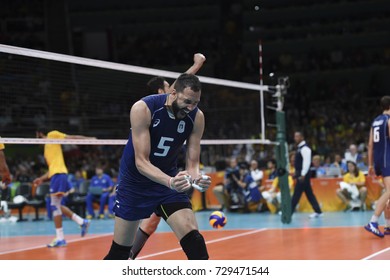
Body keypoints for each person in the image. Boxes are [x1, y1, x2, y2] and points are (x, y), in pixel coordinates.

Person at [104, 73, 211, 260]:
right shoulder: (144, 108)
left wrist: (197, 179)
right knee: (119, 254)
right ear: (173, 93)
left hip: (167, 182)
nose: (191, 107)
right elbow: (141, 163)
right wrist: (170, 182)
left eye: (196, 102)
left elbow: (192, 164)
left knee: (195, 242)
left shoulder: (197, 117)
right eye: (187, 101)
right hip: (135, 184)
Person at [129, 53, 206, 259]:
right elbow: (180, 83)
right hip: (140, 180)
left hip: (167, 181)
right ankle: (126, 257)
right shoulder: (146, 110)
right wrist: (197, 64)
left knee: (193, 238)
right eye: (168, 85)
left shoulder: (191, 113)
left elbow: (184, 84)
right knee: (122, 244)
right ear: (167, 92)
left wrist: (194, 175)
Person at [33, 128, 93, 247]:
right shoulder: (46, 150)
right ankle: (81, 222)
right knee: (57, 205)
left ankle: (61, 237)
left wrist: (88, 139)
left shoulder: (52, 135)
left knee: (55, 206)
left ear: (39, 134)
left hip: (59, 175)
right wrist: (42, 178)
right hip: (56, 175)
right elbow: (51, 170)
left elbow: (72, 137)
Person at [364, 96, 390, 237]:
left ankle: (388, 225)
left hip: (378, 160)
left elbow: (370, 145)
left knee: (388, 192)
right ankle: (373, 222)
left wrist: (370, 165)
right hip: (387, 158)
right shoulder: (388, 120)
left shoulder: (375, 121)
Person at [291, 131, 323, 218]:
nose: (295, 138)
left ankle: (289, 212)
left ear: (302, 137)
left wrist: (303, 174)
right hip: (301, 173)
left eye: (297, 137)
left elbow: (307, 162)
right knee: (309, 193)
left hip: (303, 174)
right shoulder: (299, 148)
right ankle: (318, 211)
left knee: (297, 193)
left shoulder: (305, 148)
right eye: (295, 137)